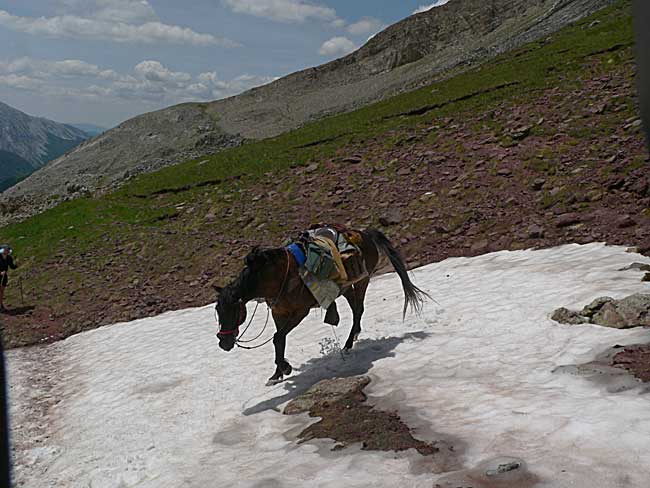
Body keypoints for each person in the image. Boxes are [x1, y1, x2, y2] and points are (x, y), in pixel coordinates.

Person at [0, 246, 17, 312]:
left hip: (4, 276)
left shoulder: (9, 258)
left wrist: (17, 265)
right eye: (5, 250)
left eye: (7, 250)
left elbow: (12, 266)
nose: (6, 251)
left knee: (1, 291)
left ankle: (1, 305)